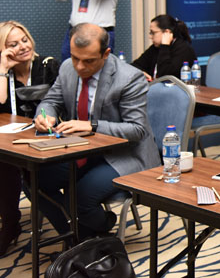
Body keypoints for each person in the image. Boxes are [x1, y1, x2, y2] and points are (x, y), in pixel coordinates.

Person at [30, 23, 160, 240]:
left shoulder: (129, 78)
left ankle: (100, 228)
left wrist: (92, 125)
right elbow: (50, 101)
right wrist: (45, 115)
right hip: (82, 150)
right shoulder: (67, 68)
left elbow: (137, 130)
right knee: (35, 178)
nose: (80, 66)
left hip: (124, 155)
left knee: (79, 197)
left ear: (106, 54)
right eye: (75, 58)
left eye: (88, 61)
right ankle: (77, 237)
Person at [0, 21, 59, 255]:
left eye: (24, 40)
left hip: (50, 137)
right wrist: (3, 69)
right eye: (13, 44)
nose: (22, 47)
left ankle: (65, 223)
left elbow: (60, 103)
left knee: (17, 166)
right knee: (4, 162)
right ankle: (11, 223)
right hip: (15, 141)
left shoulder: (48, 66)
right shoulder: (4, 72)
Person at [131, 14, 197, 81]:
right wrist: (141, 73)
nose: (150, 37)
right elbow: (134, 66)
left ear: (166, 32)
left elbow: (164, 76)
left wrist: (165, 46)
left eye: (153, 33)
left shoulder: (183, 49)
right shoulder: (155, 48)